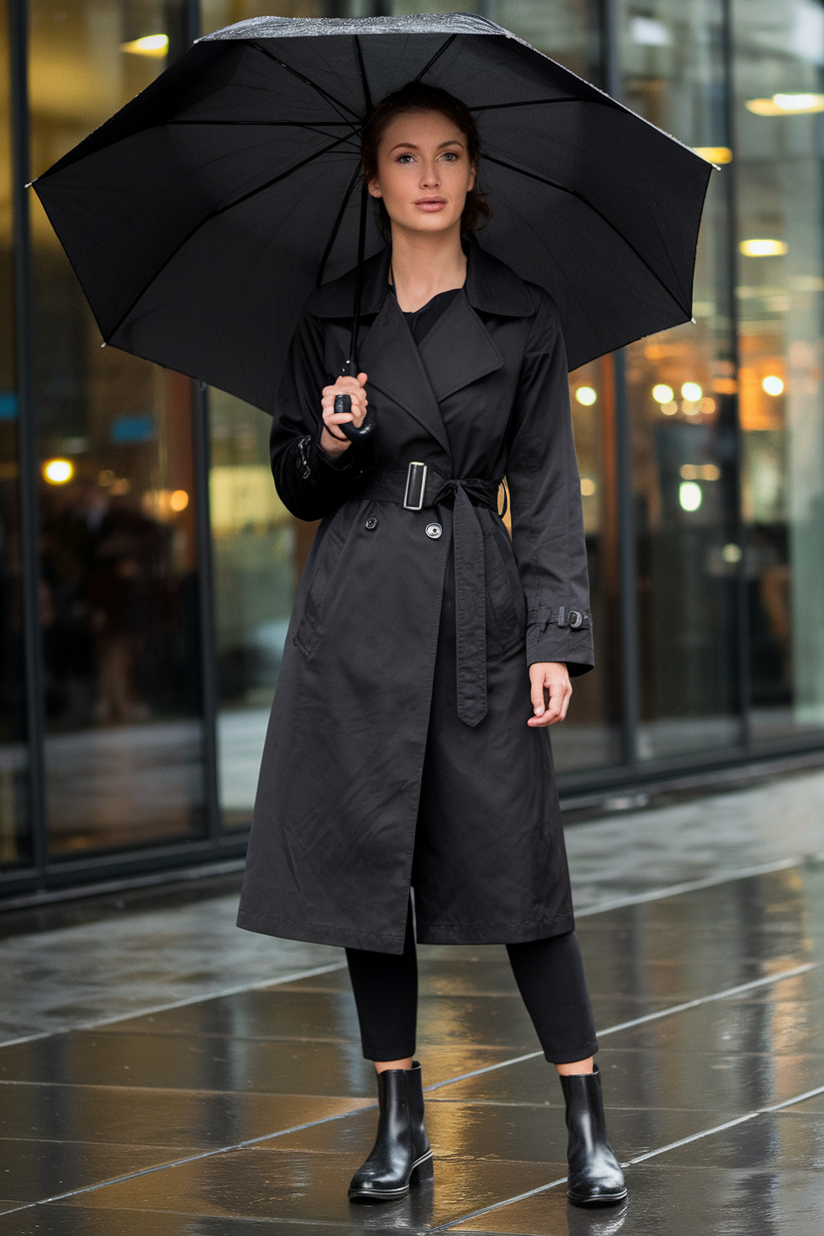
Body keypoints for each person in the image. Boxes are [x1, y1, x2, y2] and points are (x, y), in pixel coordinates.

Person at [237, 81, 626, 1210]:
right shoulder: (332, 316)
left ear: (471, 176)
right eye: (403, 157)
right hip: (356, 611)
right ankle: (399, 1119)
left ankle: (585, 1118)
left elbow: (547, 488)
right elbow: (295, 485)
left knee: (518, 867)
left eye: (447, 155)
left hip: (478, 612)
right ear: (372, 180)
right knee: (369, 867)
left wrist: (555, 637)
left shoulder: (524, 316)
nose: (426, 176)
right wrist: (330, 434)